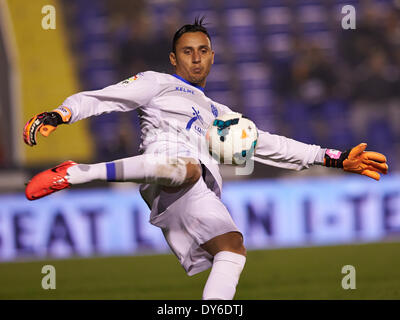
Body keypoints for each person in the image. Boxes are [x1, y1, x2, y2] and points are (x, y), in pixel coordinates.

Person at [22, 18, 388, 300]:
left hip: (198, 191)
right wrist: (61, 113)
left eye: (202, 50)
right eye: (187, 51)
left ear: (212, 56)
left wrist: (335, 158)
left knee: (233, 249)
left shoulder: (219, 112)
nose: (195, 58)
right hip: (164, 166)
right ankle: (78, 172)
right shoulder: (156, 82)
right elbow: (102, 98)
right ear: (173, 57)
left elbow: (269, 143)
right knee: (188, 167)